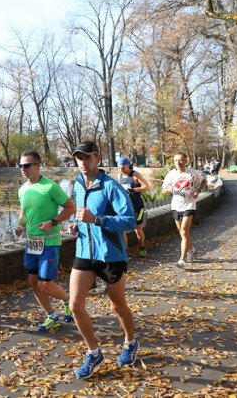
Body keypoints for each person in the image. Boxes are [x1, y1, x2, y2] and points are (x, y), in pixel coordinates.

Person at [67, 141, 139, 379]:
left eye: (87, 157)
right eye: (79, 158)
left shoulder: (111, 186)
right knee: (75, 305)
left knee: (117, 305)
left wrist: (97, 220)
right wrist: (75, 224)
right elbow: (80, 213)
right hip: (84, 253)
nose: (83, 162)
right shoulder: (78, 184)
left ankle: (130, 341)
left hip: (110, 255)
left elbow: (129, 220)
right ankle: (94, 352)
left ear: (97, 158)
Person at [14, 150, 76, 332]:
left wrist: (53, 222)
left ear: (37, 165)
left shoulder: (50, 187)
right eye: (20, 166)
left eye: (26, 165)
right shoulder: (22, 189)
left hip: (49, 242)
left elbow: (70, 208)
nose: (23, 169)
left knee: (45, 284)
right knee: (34, 282)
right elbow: (24, 213)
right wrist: (20, 225)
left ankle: (67, 300)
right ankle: (51, 316)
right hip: (31, 242)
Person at [161, 152, 207, 268]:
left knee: (184, 231)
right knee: (182, 234)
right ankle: (191, 249)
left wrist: (198, 190)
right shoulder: (171, 174)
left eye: (181, 160)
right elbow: (163, 190)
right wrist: (168, 189)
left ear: (185, 161)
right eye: (176, 160)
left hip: (189, 204)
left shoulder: (192, 173)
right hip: (176, 205)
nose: (178, 162)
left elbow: (203, 181)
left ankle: (182, 260)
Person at [117, 157, 151, 258]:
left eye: (123, 167)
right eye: (119, 168)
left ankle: (142, 249)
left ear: (128, 165)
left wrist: (134, 190)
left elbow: (147, 187)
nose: (121, 170)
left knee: (138, 229)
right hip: (125, 207)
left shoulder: (135, 175)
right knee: (122, 229)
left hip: (137, 206)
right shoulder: (120, 176)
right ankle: (127, 252)